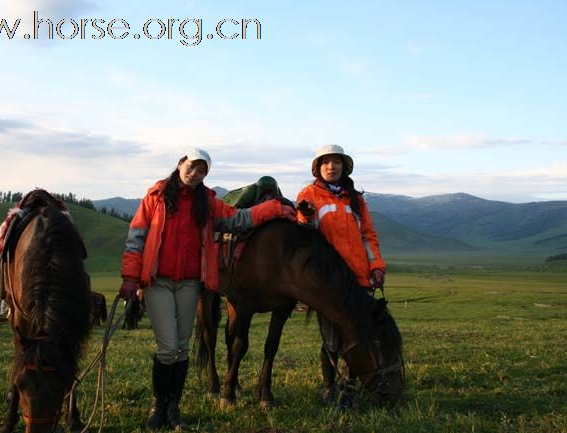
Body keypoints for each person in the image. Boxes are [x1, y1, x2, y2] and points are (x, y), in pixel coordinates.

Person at [119, 148, 295, 431]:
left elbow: (238, 219)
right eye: (191, 167)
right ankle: (158, 406)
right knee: (167, 347)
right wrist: (130, 277)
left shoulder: (208, 202)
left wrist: (274, 207)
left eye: (201, 171)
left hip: (190, 282)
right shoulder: (156, 196)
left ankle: (174, 408)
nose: (195, 173)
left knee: (182, 347)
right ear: (180, 165)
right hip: (159, 281)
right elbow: (136, 236)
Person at [296, 144, 386, 408]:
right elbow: (303, 233)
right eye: (326, 163)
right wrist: (304, 215)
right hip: (327, 282)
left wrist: (376, 266)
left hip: (359, 279)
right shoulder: (309, 194)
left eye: (336, 162)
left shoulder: (356, 200)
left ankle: (350, 388)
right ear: (318, 167)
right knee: (331, 339)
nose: (331, 167)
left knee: (358, 335)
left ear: (344, 167)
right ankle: (329, 387)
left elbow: (368, 236)